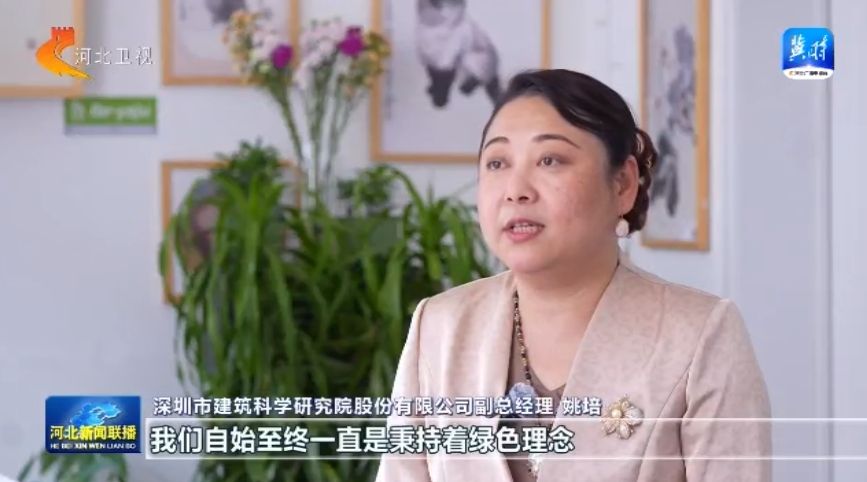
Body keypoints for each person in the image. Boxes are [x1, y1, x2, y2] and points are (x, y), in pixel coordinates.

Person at [375, 69, 771, 481]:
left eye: (550, 160)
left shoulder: (701, 334)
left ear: (623, 185)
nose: (515, 190)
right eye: (497, 162)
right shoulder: (440, 325)